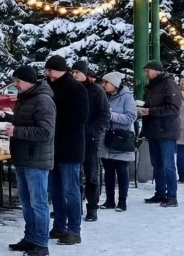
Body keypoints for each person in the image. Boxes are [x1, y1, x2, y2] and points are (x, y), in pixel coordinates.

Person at [1, 64, 55, 256]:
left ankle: (41, 242)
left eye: (18, 81)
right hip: (23, 157)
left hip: (36, 159)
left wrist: (15, 131)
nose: (15, 84)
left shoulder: (43, 100)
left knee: (38, 203)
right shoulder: (25, 98)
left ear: (29, 81)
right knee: (26, 202)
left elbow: (46, 131)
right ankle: (30, 237)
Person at [43, 55, 87, 245]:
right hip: (53, 146)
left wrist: (53, 120)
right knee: (56, 190)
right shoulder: (48, 86)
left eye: (50, 70)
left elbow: (80, 117)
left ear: (60, 70)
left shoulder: (76, 89)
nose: (48, 74)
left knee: (71, 190)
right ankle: (59, 225)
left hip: (70, 146)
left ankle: (74, 229)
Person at [138, 61, 181, 207]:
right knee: (157, 165)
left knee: (168, 165)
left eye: (147, 70)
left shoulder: (169, 84)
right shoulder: (152, 86)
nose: (145, 73)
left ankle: (172, 196)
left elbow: (174, 108)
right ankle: (160, 193)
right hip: (154, 130)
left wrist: (150, 111)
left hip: (166, 130)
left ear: (157, 71)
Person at [71, 61, 108, 222]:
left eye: (77, 72)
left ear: (85, 73)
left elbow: (104, 115)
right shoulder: (70, 89)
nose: (74, 75)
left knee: (92, 174)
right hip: (73, 138)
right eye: (72, 72)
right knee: (74, 174)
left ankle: (92, 208)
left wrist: (91, 130)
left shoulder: (96, 91)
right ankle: (75, 206)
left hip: (90, 138)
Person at [100, 72, 137, 211]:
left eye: (106, 82)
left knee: (121, 171)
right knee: (108, 170)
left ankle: (122, 201)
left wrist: (110, 115)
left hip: (121, 138)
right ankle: (109, 199)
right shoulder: (104, 96)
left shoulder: (127, 97)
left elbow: (131, 117)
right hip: (107, 138)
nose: (103, 85)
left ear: (114, 83)